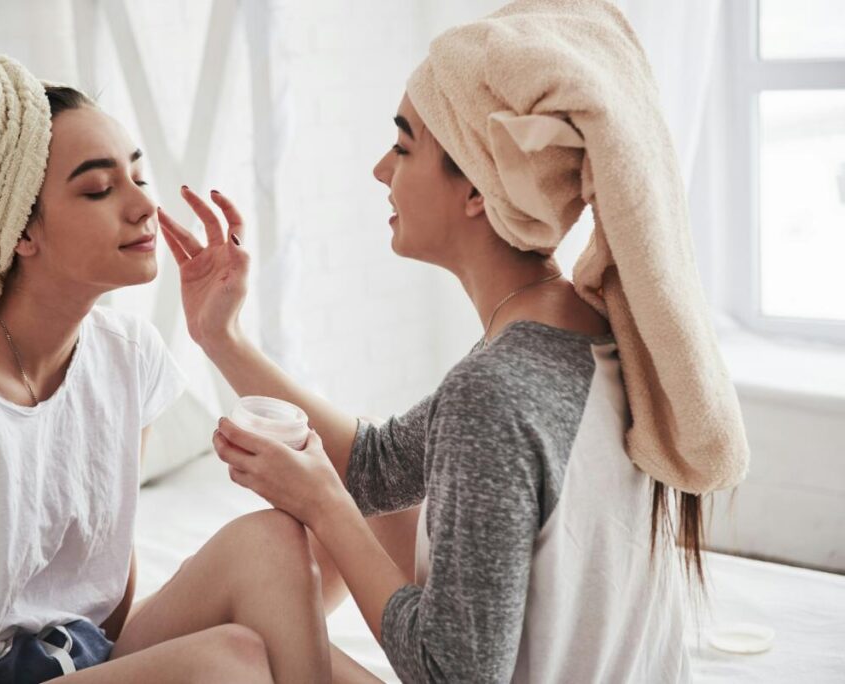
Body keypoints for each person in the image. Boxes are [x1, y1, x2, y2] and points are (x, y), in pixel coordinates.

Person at [158, 0, 749, 681]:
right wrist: (220, 336)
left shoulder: (496, 393)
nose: (382, 169)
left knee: (231, 645)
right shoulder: (587, 331)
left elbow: (456, 674)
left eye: (404, 145)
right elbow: (379, 468)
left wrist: (320, 503)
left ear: (477, 188)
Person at [0, 47, 334, 684]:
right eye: (98, 188)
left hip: (73, 657)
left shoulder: (127, 353)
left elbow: (107, 602)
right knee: (230, 659)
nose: (143, 206)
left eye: (138, 178)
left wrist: (221, 331)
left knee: (274, 545)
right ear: (20, 230)